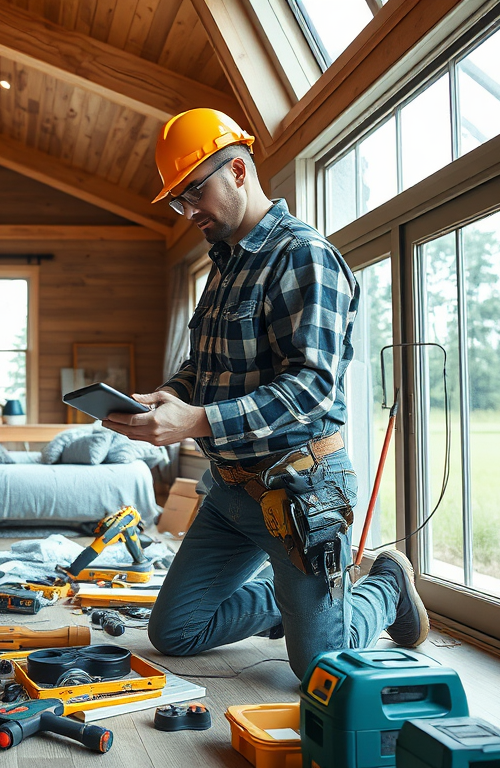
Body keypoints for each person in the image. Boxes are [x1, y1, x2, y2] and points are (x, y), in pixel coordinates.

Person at [102, 108, 428, 679]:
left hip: (301, 493)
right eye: (178, 201)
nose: (187, 213)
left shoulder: (305, 257)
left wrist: (196, 422)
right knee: (174, 632)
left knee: (321, 669)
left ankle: (384, 588)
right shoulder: (223, 264)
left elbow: (312, 388)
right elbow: (201, 368)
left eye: (193, 194)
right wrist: (166, 400)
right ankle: (298, 600)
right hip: (233, 491)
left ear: (237, 170)